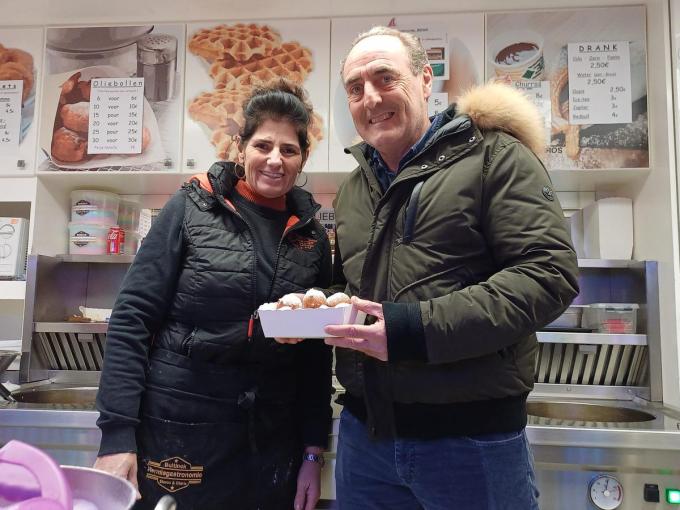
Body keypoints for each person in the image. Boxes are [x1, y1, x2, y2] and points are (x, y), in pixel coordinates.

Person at [325, 26, 580, 509]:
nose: (370, 97)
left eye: (385, 78)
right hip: (365, 437)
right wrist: (321, 311)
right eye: (355, 88)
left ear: (426, 79)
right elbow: (350, 285)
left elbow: (548, 275)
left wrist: (412, 330)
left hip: (472, 442)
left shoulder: (495, 157)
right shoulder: (353, 189)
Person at [93, 79, 333, 510]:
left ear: (303, 157)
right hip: (182, 430)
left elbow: (315, 357)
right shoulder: (192, 208)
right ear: (240, 148)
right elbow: (131, 319)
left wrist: (313, 451)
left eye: (288, 149)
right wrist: (116, 436)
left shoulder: (311, 236)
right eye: (263, 145)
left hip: (271, 441)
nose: (275, 160)